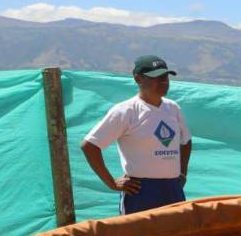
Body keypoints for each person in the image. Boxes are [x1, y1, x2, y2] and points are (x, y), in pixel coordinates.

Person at [81, 55, 192, 215]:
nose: (163, 82)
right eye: (156, 77)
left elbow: (186, 141)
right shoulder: (126, 111)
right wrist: (111, 183)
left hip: (173, 189)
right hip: (140, 191)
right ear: (138, 79)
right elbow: (90, 146)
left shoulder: (173, 108)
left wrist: (182, 173)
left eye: (165, 77)